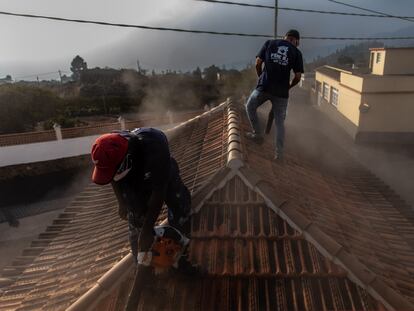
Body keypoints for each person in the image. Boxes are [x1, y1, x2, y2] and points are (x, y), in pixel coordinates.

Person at [90, 128, 192, 267]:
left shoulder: (154, 146)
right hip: (132, 177)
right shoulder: (108, 147)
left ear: (126, 160)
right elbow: (111, 177)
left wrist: (147, 230)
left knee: (179, 204)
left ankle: (181, 247)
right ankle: (141, 261)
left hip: (161, 172)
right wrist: (121, 202)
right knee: (136, 218)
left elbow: (159, 192)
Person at [245, 29, 304, 160]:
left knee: (250, 106)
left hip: (264, 87)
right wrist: (288, 87)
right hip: (281, 94)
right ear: (296, 41)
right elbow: (298, 77)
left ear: (285, 37)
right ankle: (279, 154)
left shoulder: (270, 43)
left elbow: (258, 63)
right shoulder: (296, 52)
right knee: (279, 124)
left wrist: (261, 77)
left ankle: (257, 134)